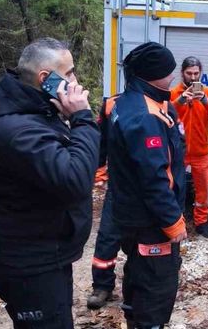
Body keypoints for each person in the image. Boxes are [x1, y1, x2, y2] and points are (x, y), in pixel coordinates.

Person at [0, 37, 100, 328]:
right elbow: (74, 180)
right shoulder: (17, 129)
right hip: (29, 263)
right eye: (70, 72)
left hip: (47, 251)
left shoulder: (37, 111)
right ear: (45, 78)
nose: (76, 80)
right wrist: (83, 118)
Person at [107, 42, 186, 329]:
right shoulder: (145, 116)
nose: (173, 77)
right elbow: (154, 177)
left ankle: (134, 317)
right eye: (169, 71)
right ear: (153, 75)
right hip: (150, 221)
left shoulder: (128, 101)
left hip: (130, 214)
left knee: (139, 272)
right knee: (157, 285)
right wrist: (173, 222)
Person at [170, 56, 208, 239]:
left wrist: (204, 100)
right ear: (182, 73)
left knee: (203, 189)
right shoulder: (174, 93)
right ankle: (176, 222)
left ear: (201, 73)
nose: (192, 77)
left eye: (196, 73)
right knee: (175, 187)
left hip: (201, 151)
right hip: (178, 152)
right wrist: (181, 101)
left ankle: (201, 223)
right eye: (189, 73)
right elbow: (164, 114)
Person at [87, 95, 122, 310]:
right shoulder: (111, 105)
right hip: (119, 186)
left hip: (148, 186)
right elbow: (102, 142)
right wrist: (99, 173)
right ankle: (102, 286)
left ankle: (140, 289)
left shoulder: (162, 103)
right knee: (108, 236)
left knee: (144, 241)